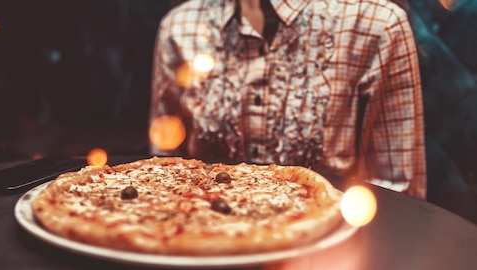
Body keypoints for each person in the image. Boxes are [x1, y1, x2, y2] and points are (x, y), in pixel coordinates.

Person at [149, 0, 427, 199]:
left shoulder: (376, 23)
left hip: (323, 250)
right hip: (198, 239)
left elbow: (396, 193)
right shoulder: (180, 25)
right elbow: (161, 171)